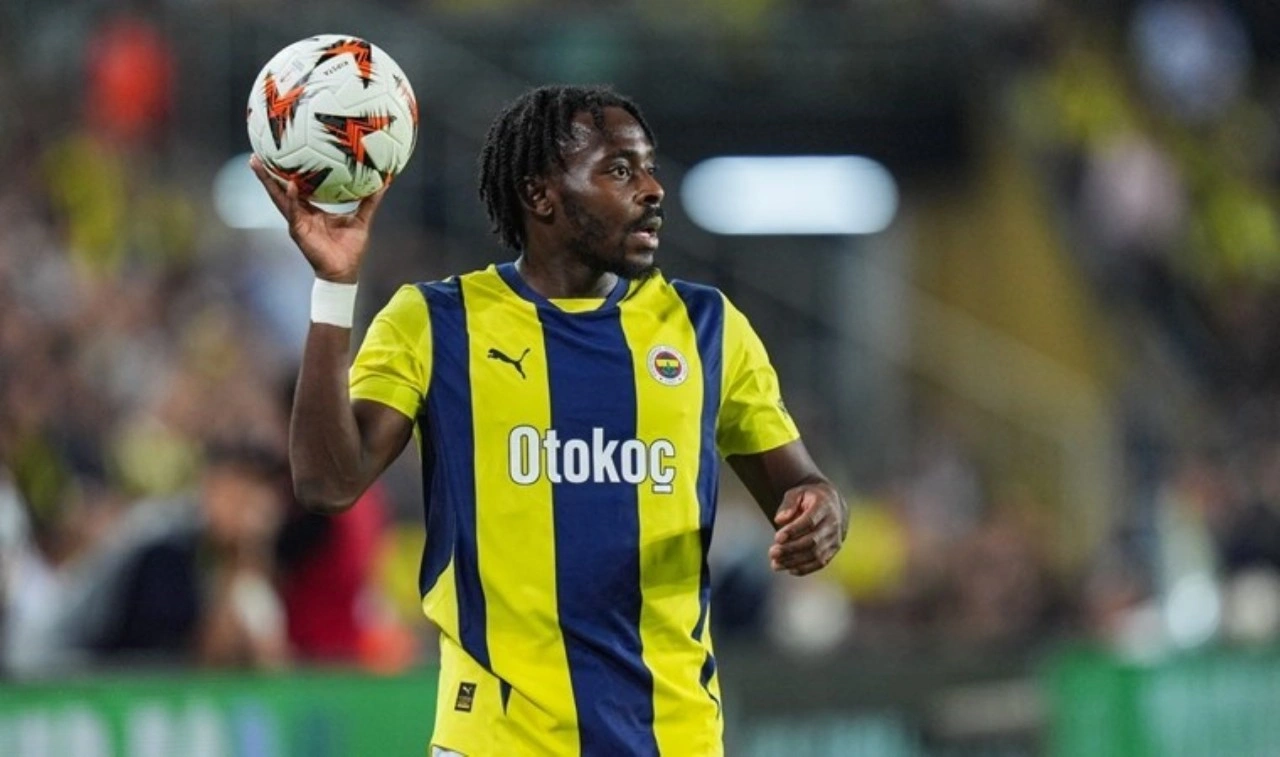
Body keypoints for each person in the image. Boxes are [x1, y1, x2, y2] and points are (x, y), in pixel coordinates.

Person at [251, 84, 848, 756]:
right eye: (619, 169)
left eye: (649, 168)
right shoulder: (436, 322)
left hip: (674, 737)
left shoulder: (707, 327)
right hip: (496, 740)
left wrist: (821, 514)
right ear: (540, 194)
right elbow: (327, 484)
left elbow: (801, 488)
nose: (653, 189)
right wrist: (334, 286)